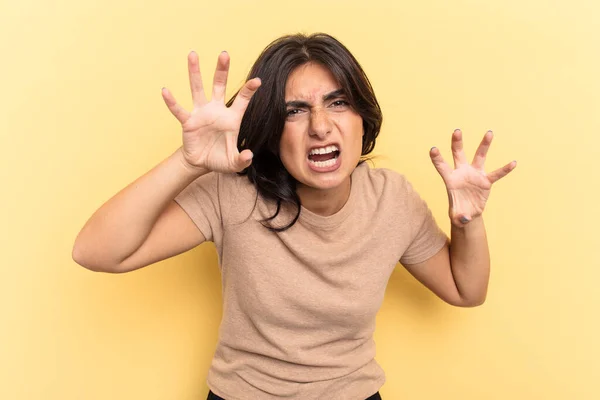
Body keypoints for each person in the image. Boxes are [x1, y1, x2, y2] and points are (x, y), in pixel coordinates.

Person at [72, 33, 516, 400]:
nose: (320, 126)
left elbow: (466, 291)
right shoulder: (234, 193)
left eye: (338, 103)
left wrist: (467, 221)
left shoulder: (392, 200)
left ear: (363, 120)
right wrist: (188, 163)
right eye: (295, 110)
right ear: (270, 128)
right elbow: (96, 251)